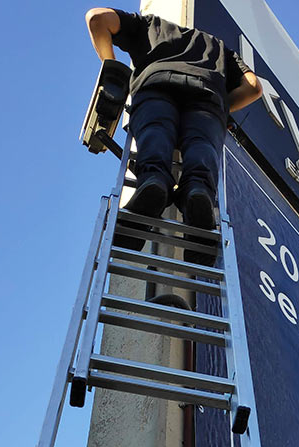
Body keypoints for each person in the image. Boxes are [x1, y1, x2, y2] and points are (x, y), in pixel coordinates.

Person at [85, 7, 263, 263]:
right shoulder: (220, 49)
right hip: (207, 95)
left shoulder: (148, 25)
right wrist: (223, 108)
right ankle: (197, 190)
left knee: (155, 130)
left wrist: (111, 67)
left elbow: (96, 17)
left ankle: (154, 180)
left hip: (156, 83)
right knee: (201, 145)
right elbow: (254, 87)